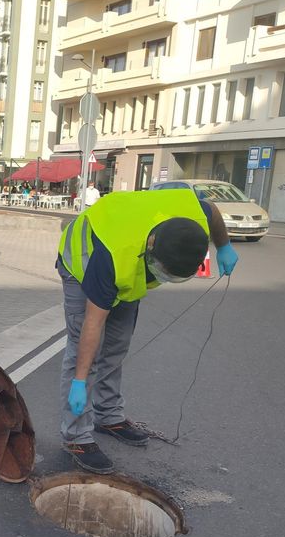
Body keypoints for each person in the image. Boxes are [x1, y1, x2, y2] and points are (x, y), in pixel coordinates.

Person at [56, 189, 239, 474]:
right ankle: (76, 436)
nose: (164, 278)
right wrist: (80, 381)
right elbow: (93, 323)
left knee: (117, 345)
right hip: (83, 260)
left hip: (130, 267)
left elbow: (212, 211)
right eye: (163, 271)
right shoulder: (113, 256)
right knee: (84, 350)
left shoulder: (193, 218)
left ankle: (108, 416)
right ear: (151, 245)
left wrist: (224, 245)